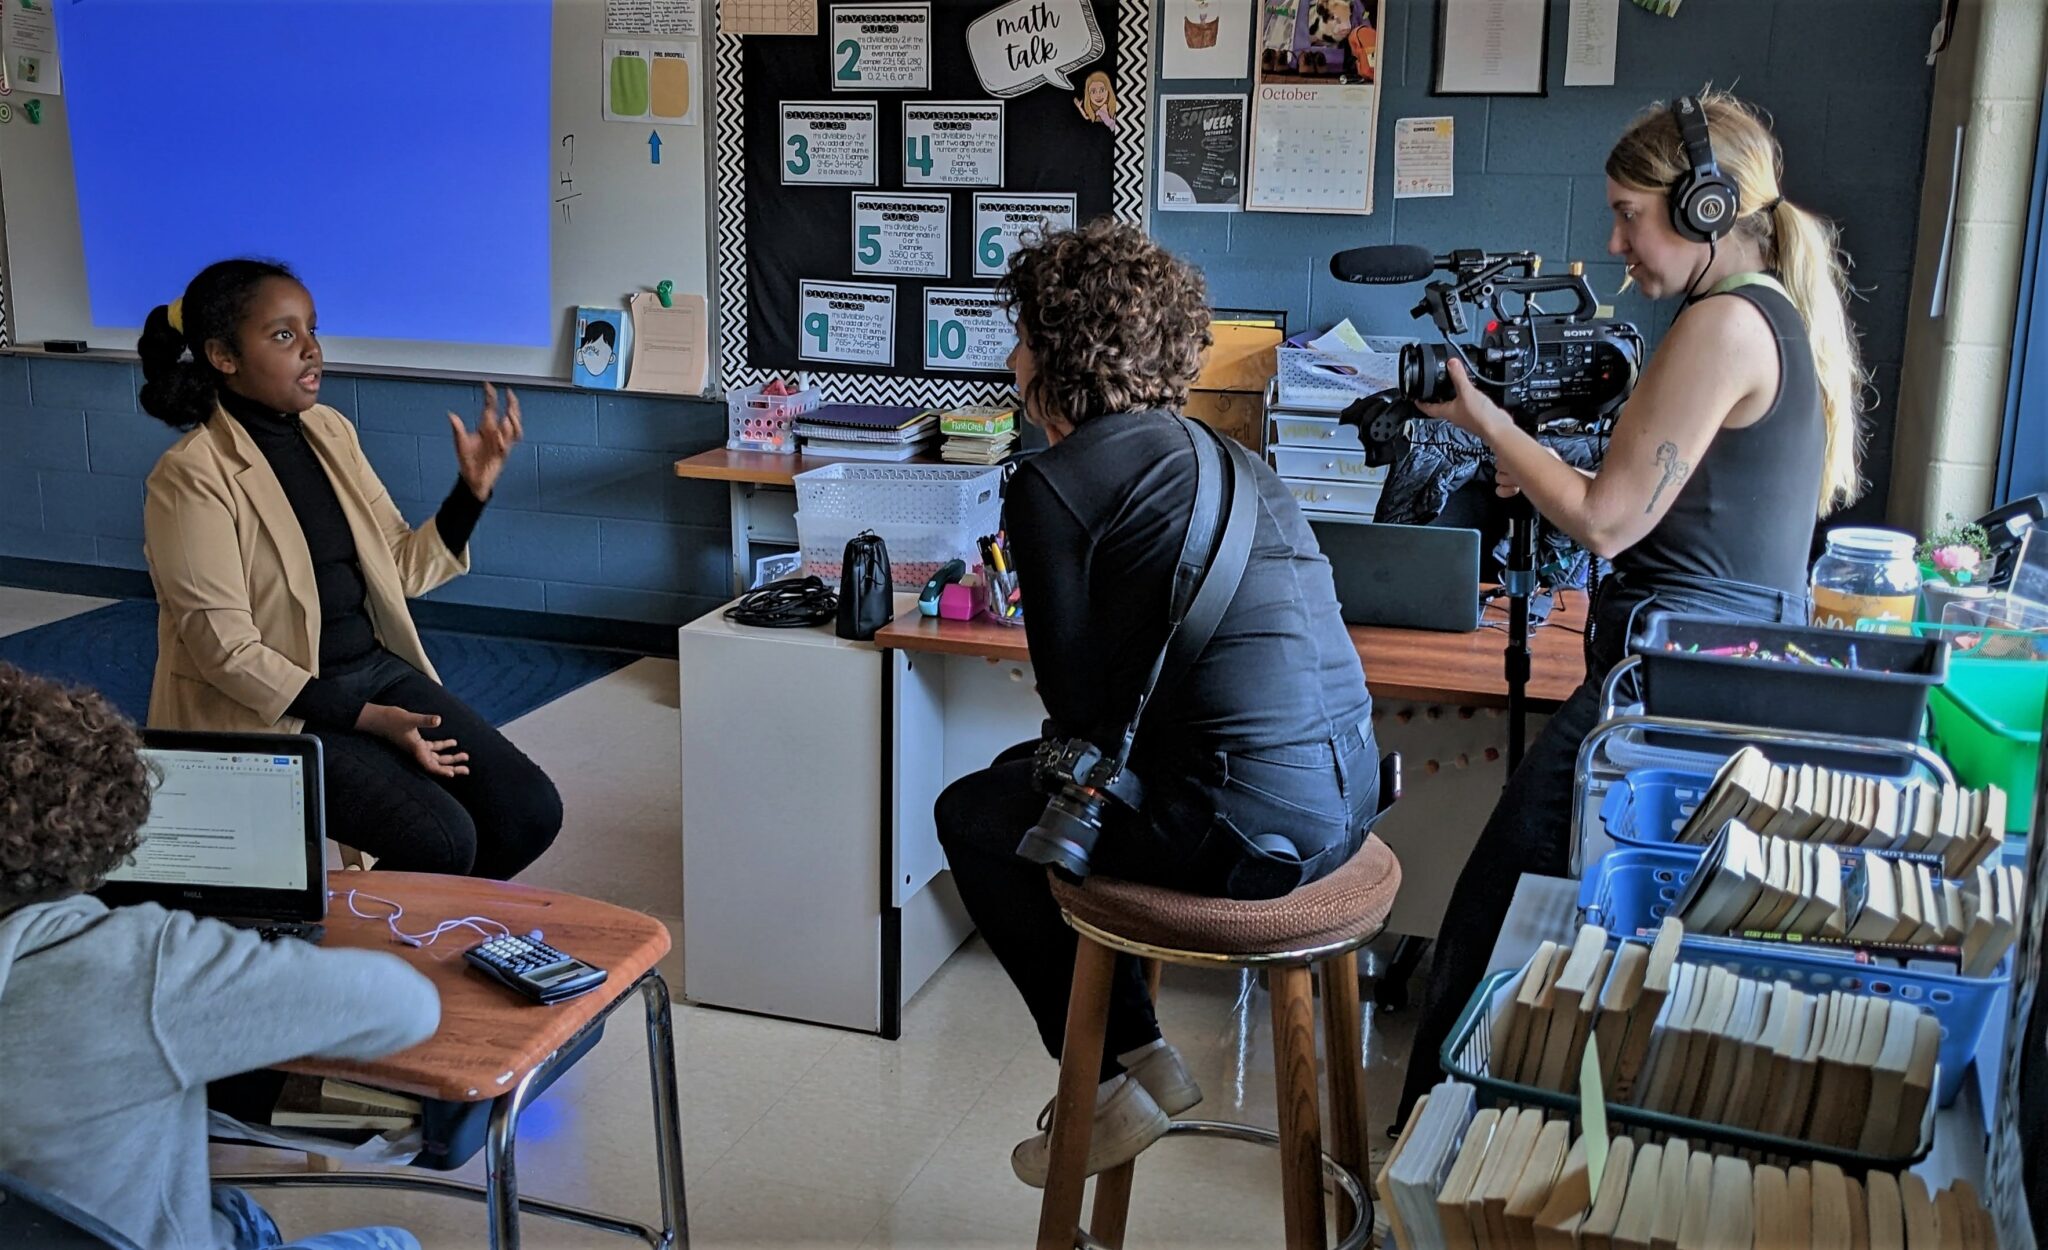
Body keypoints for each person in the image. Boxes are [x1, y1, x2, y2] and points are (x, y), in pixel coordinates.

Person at [1394, 89, 1867, 1125]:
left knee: (1484, 920)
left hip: (1670, 683)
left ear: (1701, 207)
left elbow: (1606, 522)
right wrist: (1539, 459)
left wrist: (1480, 419)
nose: (1615, 245)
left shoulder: (1719, 325)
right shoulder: (1763, 319)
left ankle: (1416, 1171)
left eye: (1626, 213)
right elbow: (1662, 497)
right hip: (1712, 671)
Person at [936, 220, 1380, 1186]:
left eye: (1021, 338)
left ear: (1059, 350)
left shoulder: (1054, 484)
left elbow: (1079, 715)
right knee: (1022, 784)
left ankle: (1110, 1081)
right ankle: (1144, 1063)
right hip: (1346, 802)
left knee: (974, 814)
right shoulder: (1231, 459)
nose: (1011, 363)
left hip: (1248, 838)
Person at [138, 259, 562, 879]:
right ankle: (360, 959)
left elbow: (399, 567)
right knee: (443, 842)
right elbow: (225, 652)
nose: (311, 350)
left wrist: (470, 493)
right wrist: (369, 721)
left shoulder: (329, 430)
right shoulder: (189, 477)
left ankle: (402, 943)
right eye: (283, 335)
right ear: (223, 356)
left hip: (369, 672)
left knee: (527, 812)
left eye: (311, 329)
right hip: (270, 709)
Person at [0, 662, 440, 1250]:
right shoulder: (139, 965)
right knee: (394, 1243)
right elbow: (405, 1006)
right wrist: (216, 961)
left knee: (233, 1206)